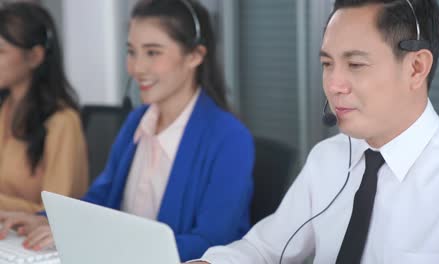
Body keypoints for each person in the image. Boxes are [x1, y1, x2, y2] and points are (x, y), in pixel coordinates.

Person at [189, 0, 439, 263]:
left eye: (355, 64)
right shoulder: (328, 157)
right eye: (327, 64)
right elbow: (262, 248)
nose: (333, 85)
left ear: (416, 68)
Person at [0, 0, 255, 261]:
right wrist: (45, 220)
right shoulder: (137, 121)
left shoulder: (229, 139)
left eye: (153, 53)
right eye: (131, 52)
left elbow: (213, 240)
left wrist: (99, 240)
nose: (137, 68)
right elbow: (102, 196)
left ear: (195, 56)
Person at [0, 2, 88, 213]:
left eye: (0, 51)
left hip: (36, 241)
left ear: (35, 57)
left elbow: (57, 212)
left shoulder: (62, 122)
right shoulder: (4, 109)